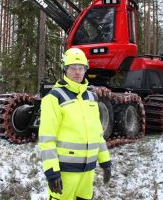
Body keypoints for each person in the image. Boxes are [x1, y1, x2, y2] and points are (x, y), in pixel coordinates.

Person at [38, 48, 112, 200]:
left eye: (81, 68)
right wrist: (52, 171)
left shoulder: (91, 98)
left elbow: (98, 134)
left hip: (88, 171)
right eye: (73, 68)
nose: (77, 72)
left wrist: (105, 161)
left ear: (85, 70)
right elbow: (47, 139)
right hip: (66, 171)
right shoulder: (54, 98)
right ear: (65, 69)